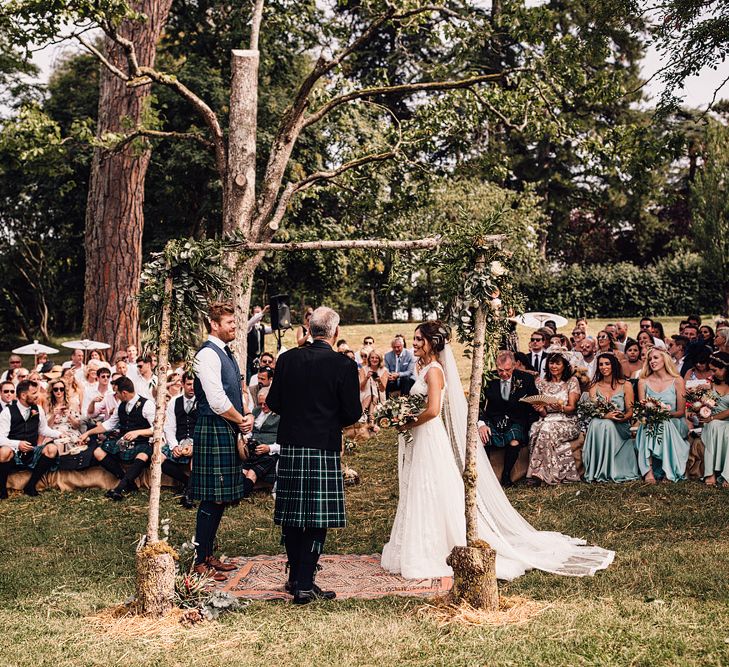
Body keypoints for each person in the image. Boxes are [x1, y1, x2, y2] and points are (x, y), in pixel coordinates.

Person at [381, 321, 613, 581]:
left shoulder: (434, 371)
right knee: (422, 485)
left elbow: (433, 410)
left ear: (432, 343)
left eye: (418, 339)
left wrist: (406, 422)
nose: (414, 343)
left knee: (429, 485)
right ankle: (421, 538)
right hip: (421, 435)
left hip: (428, 435)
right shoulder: (425, 368)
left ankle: (434, 543)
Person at [266, 306, 361, 604]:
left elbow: (273, 402)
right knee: (317, 516)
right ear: (335, 332)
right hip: (323, 445)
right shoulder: (343, 365)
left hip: (292, 444)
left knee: (293, 514)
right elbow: (353, 413)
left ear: (309, 328)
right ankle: (305, 585)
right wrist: (329, 420)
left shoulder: (286, 359)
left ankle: (296, 579)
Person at [189, 302, 254, 581]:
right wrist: (241, 419)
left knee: (220, 498)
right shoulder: (206, 355)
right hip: (214, 426)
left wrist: (245, 415)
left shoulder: (226, 353)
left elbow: (235, 391)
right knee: (211, 497)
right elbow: (216, 401)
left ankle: (207, 554)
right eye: (230, 323)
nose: (234, 327)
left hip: (225, 427)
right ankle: (199, 561)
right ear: (214, 324)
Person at [79, 376, 155, 500]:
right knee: (98, 452)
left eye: (117, 393)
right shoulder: (121, 405)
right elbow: (109, 424)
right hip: (123, 442)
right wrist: (88, 433)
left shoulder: (147, 405)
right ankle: (128, 482)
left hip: (141, 442)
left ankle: (119, 488)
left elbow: (156, 429)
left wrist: (138, 433)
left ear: (124, 393)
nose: (116, 395)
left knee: (143, 455)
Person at [478, 350, 538, 486]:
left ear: (515, 365)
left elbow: (534, 402)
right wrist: (481, 423)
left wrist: (529, 426)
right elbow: (478, 405)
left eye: (507, 370)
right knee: (484, 439)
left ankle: (506, 476)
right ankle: (487, 477)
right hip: (493, 419)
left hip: (516, 420)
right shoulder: (488, 378)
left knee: (514, 441)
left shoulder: (526, 379)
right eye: (500, 370)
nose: (504, 374)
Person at [526, 350, 582, 485]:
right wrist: (540, 409)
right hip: (546, 419)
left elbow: (572, 408)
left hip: (567, 421)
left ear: (565, 365)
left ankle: (537, 474)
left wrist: (561, 407)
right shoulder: (541, 382)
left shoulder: (571, 381)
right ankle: (542, 472)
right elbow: (544, 413)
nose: (554, 366)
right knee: (535, 428)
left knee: (545, 429)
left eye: (557, 363)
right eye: (551, 363)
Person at [635, 348, 689, 483]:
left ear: (665, 359)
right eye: (650, 359)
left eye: (656, 358)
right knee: (651, 422)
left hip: (674, 422)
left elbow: (681, 411)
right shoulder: (643, 381)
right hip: (650, 422)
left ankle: (668, 470)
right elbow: (642, 410)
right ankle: (649, 471)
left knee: (661, 422)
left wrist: (663, 413)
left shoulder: (677, 380)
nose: (652, 361)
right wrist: (653, 415)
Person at [582, 354, 639, 483]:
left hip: (621, 425)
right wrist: (605, 415)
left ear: (614, 365)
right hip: (601, 424)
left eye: (607, 363)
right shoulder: (594, 386)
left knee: (605, 424)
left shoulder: (626, 385)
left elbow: (630, 411)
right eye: (601, 364)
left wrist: (623, 418)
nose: (604, 367)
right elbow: (592, 410)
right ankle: (600, 470)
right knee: (599, 422)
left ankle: (611, 469)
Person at [0, 380, 62, 497]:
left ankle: (31, 485)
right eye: (33, 393)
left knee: (52, 449)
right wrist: (17, 444)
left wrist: (59, 434)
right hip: (14, 453)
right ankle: (2, 490)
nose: (37, 395)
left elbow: (43, 430)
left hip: (32, 451)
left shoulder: (38, 409)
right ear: (23, 395)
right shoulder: (7, 412)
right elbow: (0, 438)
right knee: (4, 451)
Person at [162, 372, 198, 509]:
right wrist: (174, 446)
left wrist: (194, 445)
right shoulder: (174, 402)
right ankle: (187, 481)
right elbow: (169, 427)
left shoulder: (202, 401)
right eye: (189, 384)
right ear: (182, 384)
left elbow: (203, 427)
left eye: (194, 384)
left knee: (196, 460)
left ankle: (188, 496)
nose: (192, 387)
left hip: (196, 442)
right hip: (179, 441)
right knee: (160, 460)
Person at [241, 387, 280, 492]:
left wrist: (269, 448)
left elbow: (285, 442)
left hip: (269, 454)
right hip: (252, 452)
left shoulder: (281, 415)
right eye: (260, 404)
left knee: (252, 472)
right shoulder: (256, 411)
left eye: (265, 404)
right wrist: (246, 438)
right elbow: (249, 431)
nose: (262, 407)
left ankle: (240, 496)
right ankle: (236, 494)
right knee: (242, 471)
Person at [700, 352, 729, 487]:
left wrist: (713, 417)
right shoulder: (709, 384)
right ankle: (710, 472)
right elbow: (701, 404)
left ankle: (727, 475)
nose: (711, 373)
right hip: (711, 422)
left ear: (725, 368)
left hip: (725, 420)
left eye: (714, 370)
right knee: (713, 425)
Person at [359, 348, 388, 422]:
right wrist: (367, 378)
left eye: (377, 357)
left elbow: (382, 389)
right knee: (370, 393)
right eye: (372, 357)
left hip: (378, 396)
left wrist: (379, 380)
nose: (374, 359)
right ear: (369, 359)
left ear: (380, 359)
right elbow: (361, 388)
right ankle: (370, 417)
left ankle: (364, 414)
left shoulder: (384, 370)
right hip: (364, 394)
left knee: (374, 394)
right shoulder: (363, 369)